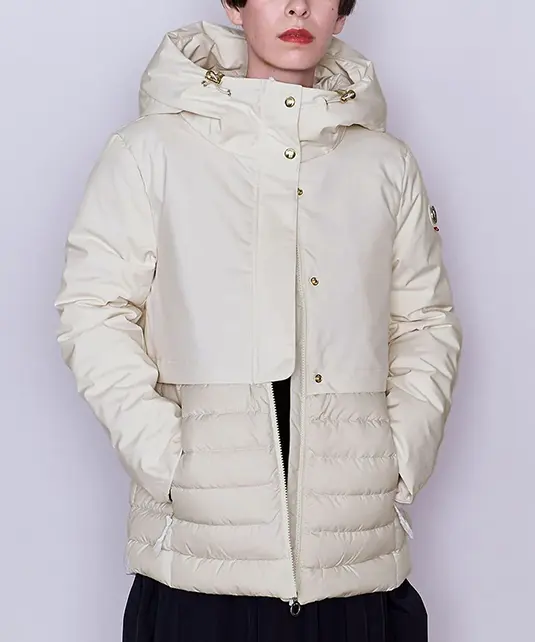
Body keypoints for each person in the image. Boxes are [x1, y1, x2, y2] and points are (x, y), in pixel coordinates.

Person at [54, 1, 462, 640]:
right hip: (199, 563)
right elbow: (94, 310)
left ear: (342, 13)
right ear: (233, 5)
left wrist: (400, 456)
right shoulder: (149, 152)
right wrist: (165, 457)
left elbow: (423, 322)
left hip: (353, 563)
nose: (298, 6)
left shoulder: (386, 164)